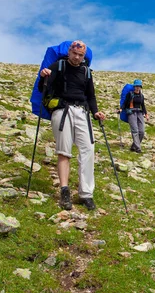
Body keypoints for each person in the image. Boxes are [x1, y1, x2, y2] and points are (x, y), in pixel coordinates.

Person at [38, 40, 105, 210]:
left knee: (88, 149)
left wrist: (95, 112)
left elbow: (91, 96)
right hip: (62, 111)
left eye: (80, 55)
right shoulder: (57, 66)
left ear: (84, 56)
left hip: (82, 111)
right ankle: (64, 191)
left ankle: (86, 194)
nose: (76, 57)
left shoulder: (86, 72)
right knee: (64, 151)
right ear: (69, 52)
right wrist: (43, 76)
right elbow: (43, 89)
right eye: (74, 53)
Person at [121, 79, 149, 153]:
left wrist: (146, 114)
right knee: (135, 130)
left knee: (142, 131)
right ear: (134, 86)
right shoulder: (130, 94)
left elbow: (143, 105)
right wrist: (121, 109)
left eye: (139, 86)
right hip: (131, 113)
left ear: (140, 87)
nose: (137, 87)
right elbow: (125, 103)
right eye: (136, 86)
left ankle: (134, 146)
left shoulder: (141, 96)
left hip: (139, 113)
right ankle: (138, 148)